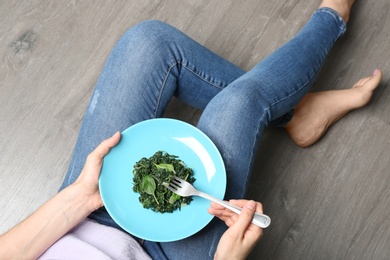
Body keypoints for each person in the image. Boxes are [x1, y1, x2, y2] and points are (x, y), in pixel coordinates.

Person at [0, 0, 382, 259]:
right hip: (167, 255)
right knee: (240, 102)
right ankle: (333, 14)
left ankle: (294, 115)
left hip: (79, 220)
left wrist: (79, 199)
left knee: (150, 43)